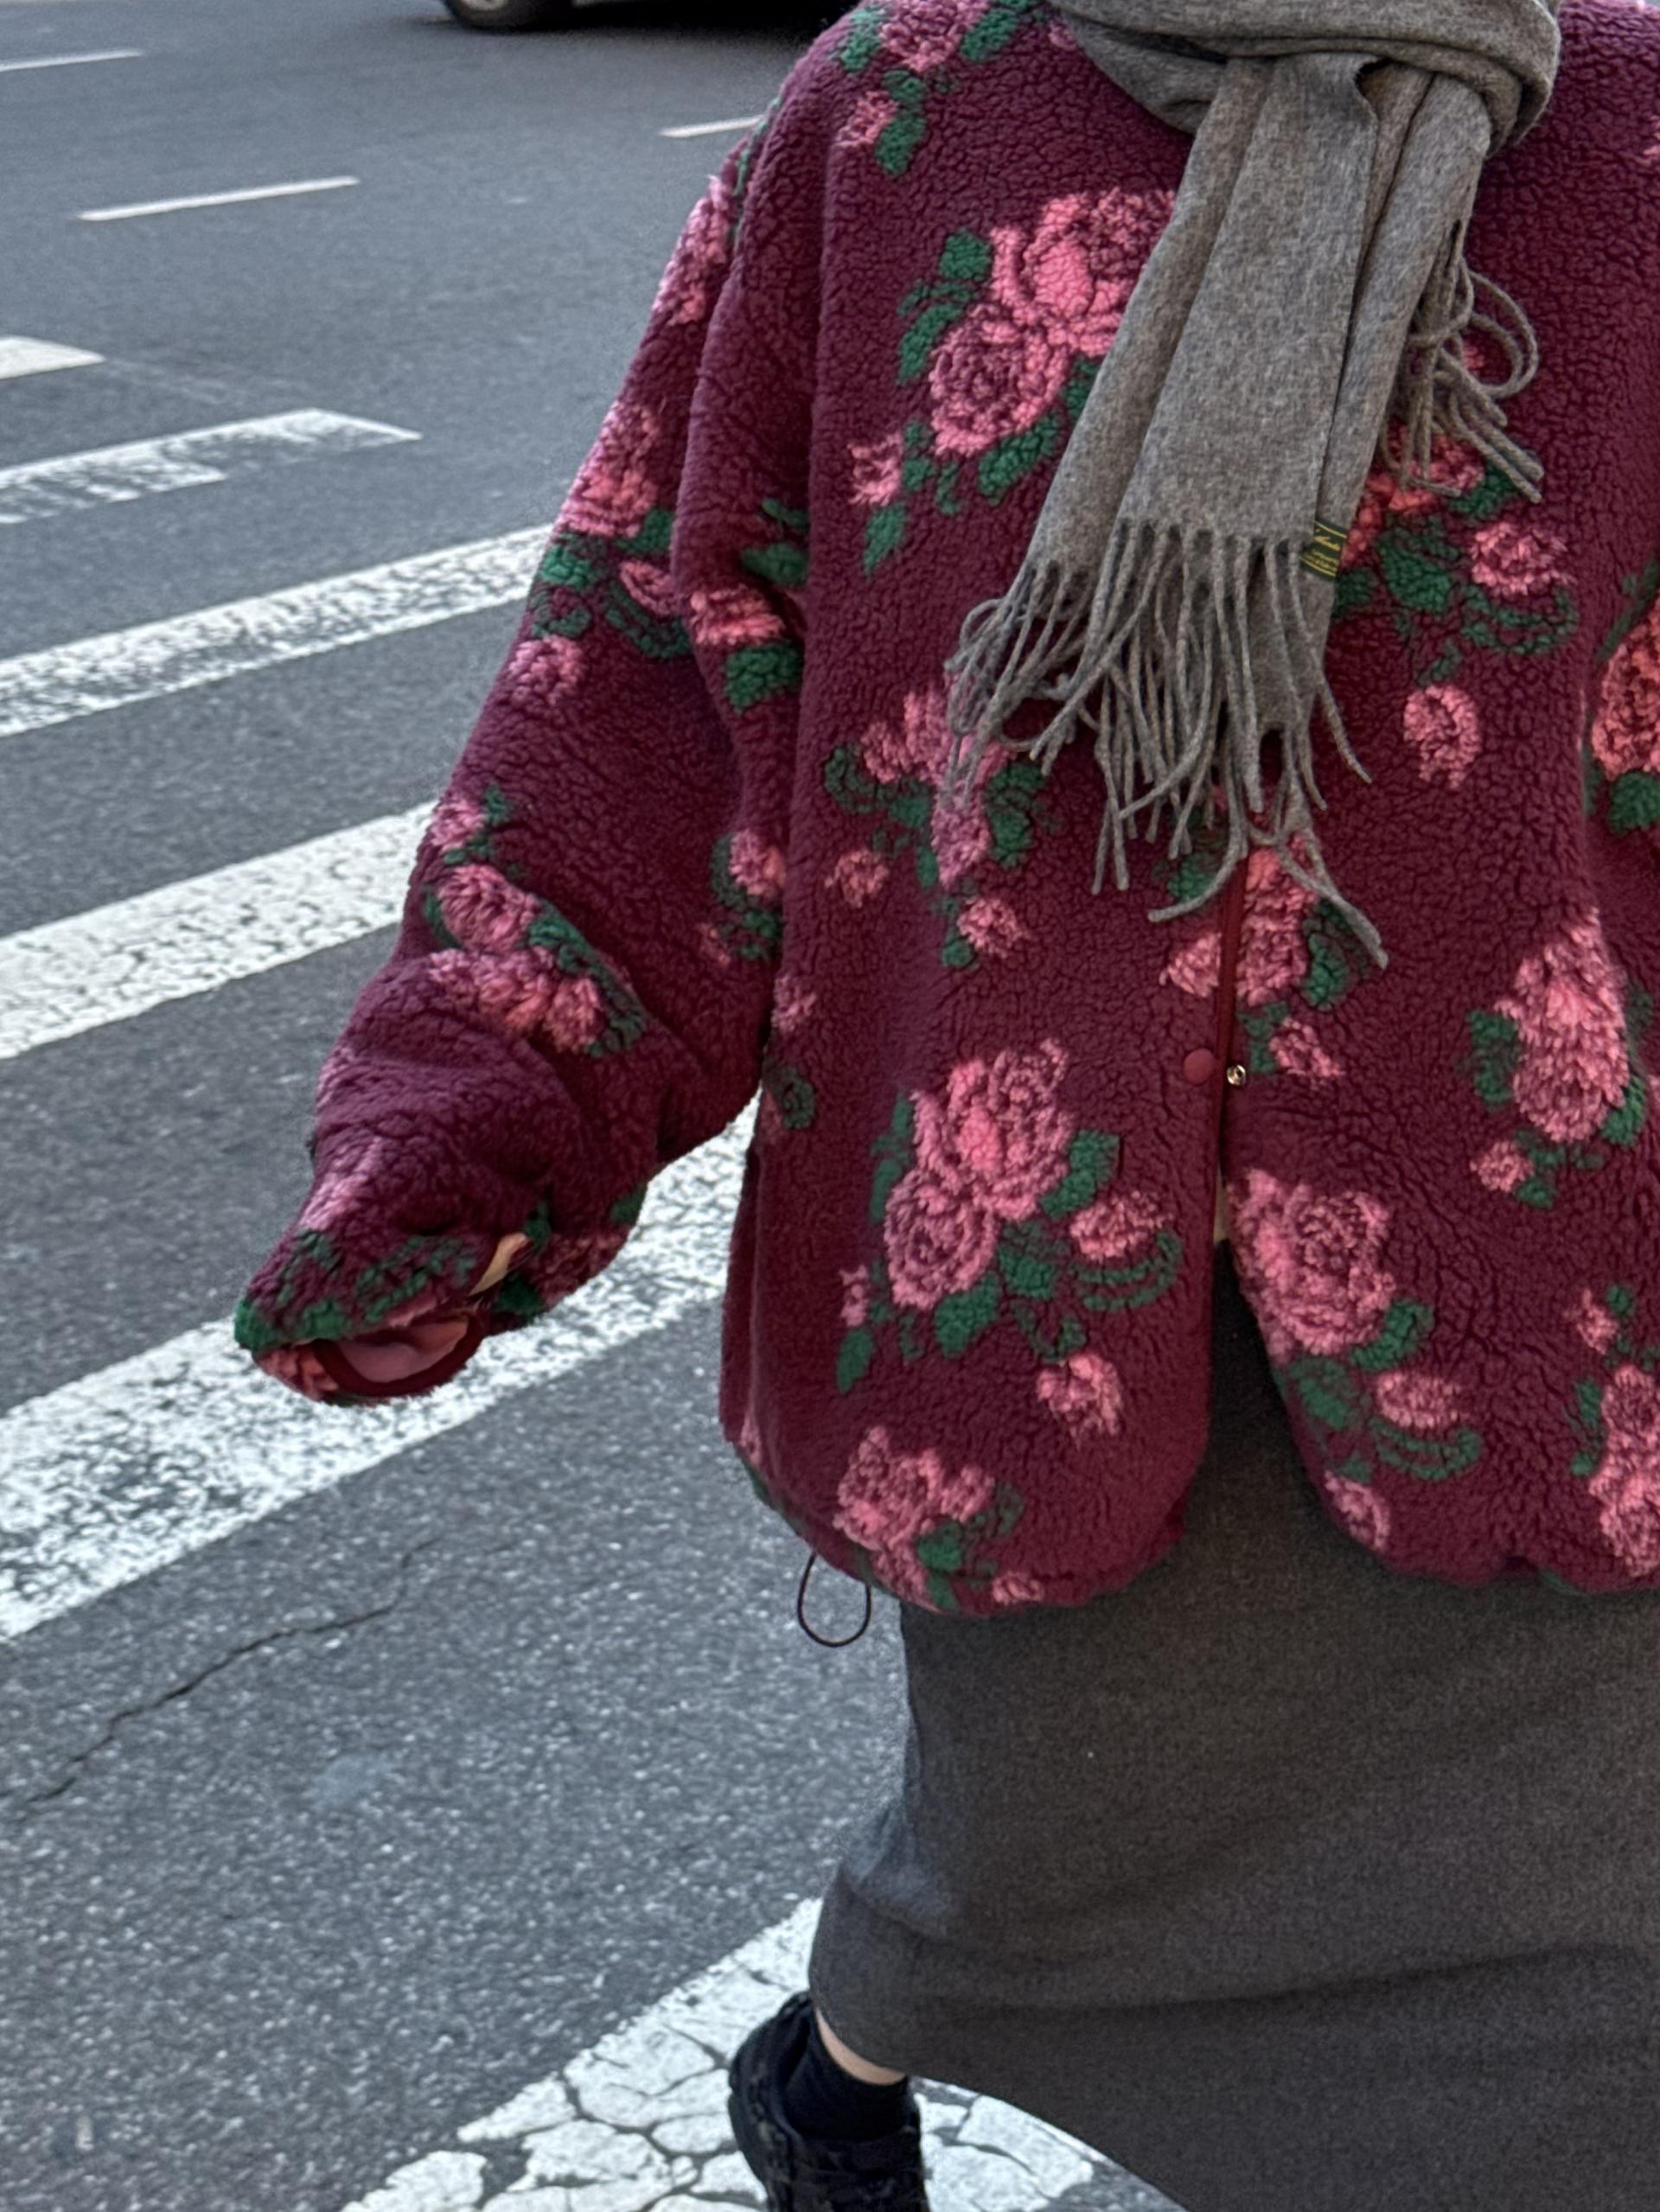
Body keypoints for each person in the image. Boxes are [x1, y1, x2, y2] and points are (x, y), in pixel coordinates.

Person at [236, 1, 1660, 2205]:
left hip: (1554, 1290)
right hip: (1051, 1288)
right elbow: (659, 667)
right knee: (1040, 1871)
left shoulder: (1638, 141)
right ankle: (848, 2050)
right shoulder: (902, 113)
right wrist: (478, 1120)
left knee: (1575, 2025)